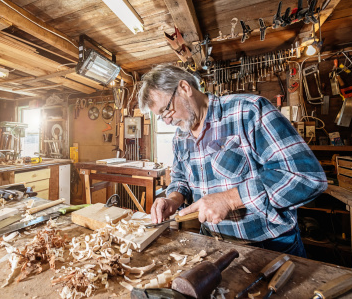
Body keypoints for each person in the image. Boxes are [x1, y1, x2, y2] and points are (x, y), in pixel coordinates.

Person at [137, 64, 327, 257]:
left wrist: (229, 200)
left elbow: (306, 176)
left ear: (185, 88)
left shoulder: (248, 111)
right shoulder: (180, 136)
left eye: (167, 110)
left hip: (268, 245)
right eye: (162, 117)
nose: (168, 121)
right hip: (211, 243)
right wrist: (173, 199)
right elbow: (180, 179)